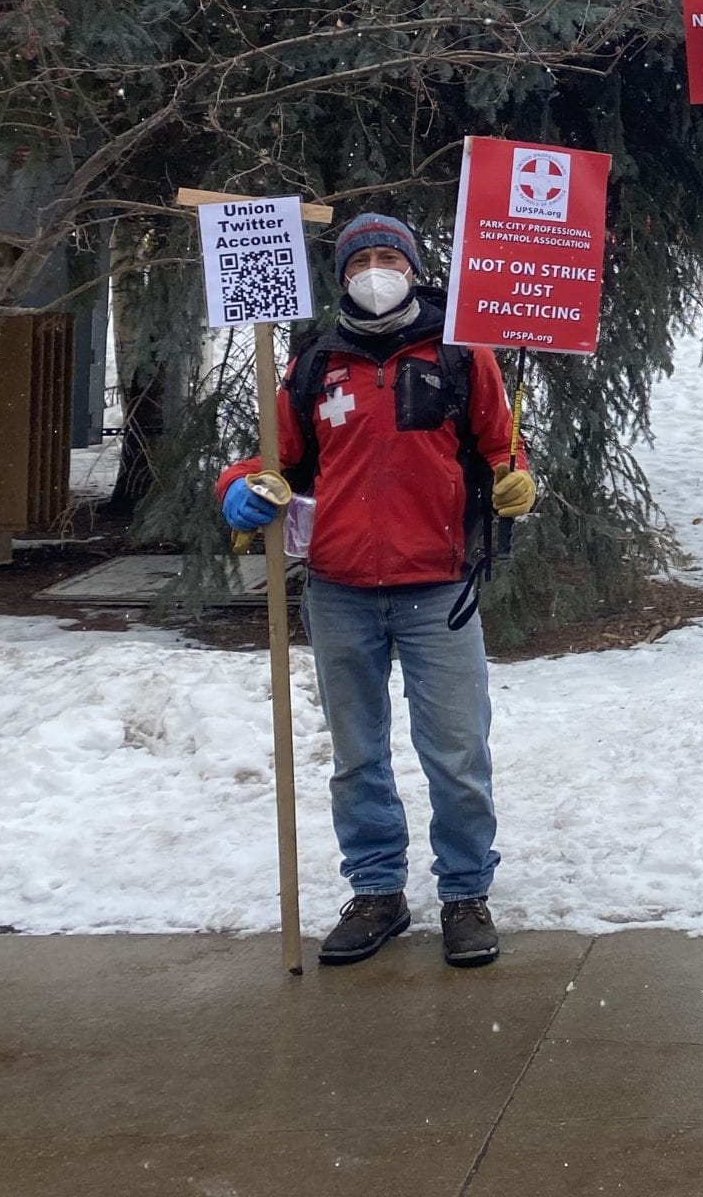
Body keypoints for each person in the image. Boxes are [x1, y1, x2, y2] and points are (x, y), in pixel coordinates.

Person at [216, 212, 532, 969]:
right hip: (340, 590)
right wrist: (241, 489)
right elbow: (274, 457)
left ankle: (464, 894)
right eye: (362, 262)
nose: (376, 271)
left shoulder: (461, 354)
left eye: (390, 257)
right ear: (344, 276)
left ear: (413, 267)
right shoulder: (314, 364)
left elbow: (501, 441)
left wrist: (518, 478)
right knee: (357, 756)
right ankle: (377, 891)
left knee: (456, 753)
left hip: (439, 588)